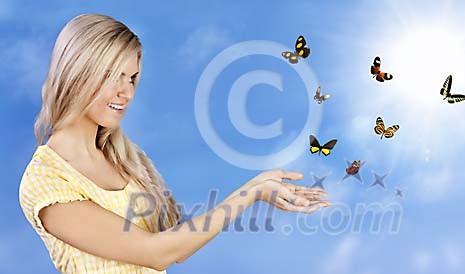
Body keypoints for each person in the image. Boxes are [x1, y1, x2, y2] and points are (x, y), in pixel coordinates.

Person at [18, 14, 331, 273]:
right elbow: (158, 253)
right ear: (78, 72)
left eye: (132, 78)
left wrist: (260, 187)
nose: (126, 92)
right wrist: (250, 193)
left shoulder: (125, 158)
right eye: (114, 75)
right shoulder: (46, 180)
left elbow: (177, 245)